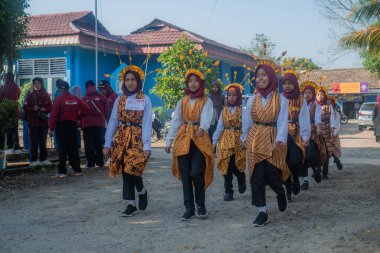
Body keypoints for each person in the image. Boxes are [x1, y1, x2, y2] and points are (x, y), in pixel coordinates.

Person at [241, 61, 290, 227]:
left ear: (270, 77)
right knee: (256, 176)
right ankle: (262, 212)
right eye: (258, 76)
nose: (260, 78)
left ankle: (280, 192)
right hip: (255, 139)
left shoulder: (281, 99)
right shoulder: (251, 100)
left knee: (272, 174)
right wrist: (243, 139)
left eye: (263, 75)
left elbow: (283, 121)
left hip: (273, 137)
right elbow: (247, 123)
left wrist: (279, 140)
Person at [165, 69, 214, 221]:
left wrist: (203, 127)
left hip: (200, 140)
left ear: (200, 83)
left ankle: (201, 205)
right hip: (184, 138)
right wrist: (169, 140)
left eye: (196, 81)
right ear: (187, 83)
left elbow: (207, 116)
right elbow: (176, 122)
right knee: (186, 175)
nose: (193, 84)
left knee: (196, 173)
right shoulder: (182, 101)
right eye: (190, 81)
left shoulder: (207, 100)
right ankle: (189, 208)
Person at [103, 65, 152, 217]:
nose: (130, 83)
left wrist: (147, 144)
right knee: (125, 170)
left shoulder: (145, 99)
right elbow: (113, 120)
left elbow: (147, 122)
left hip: (137, 138)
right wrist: (107, 142)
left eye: (133, 80)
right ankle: (131, 204)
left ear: (138, 81)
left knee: (134, 168)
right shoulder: (120, 99)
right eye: (127, 79)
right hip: (122, 138)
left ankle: (141, 191)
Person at [212, 83, 246, 201]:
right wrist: (214, 141)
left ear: (239, 96)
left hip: (238, 140)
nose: (231, 97)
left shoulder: (243, 110)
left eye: (234, 95)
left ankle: (241, 177)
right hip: (225, 140)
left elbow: (246, 126)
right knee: (226, 166)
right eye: (229, 95)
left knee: (235, 164)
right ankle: (228, 191)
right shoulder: (224, 111)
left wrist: (244, 139)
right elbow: (220, 126)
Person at [49, 80, 89, 178]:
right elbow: (87, 109)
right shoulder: (75, 98)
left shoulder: (58, 99)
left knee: (62, 149)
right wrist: (79, 117)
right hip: (72, 126)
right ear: (68, 89)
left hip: (61, 126)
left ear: (60, 89)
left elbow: (54, 115)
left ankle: (62, 171)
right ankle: (77, 170)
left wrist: (51, 128)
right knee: (73, 148)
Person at [281, 70, 310, 201]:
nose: (287, 86)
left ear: (294, 84)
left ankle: (296, 179)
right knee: (284, 162)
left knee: (295, 160)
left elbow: (304, 118)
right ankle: (288, 189)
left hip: (296, 133)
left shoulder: (301, 99)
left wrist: (305, 137)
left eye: (290, 83)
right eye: (284, 83)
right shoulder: (279, 98)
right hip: (282, 133)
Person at [299, 81, 325, 190]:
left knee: (311, 156)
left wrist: (319, 127)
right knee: (302, 158)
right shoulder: (300, 104)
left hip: (313, 133)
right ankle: (305, 181)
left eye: (309, 93)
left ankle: (316, 169)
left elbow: (318, 118)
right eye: (305, 93)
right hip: (300, 133)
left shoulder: (316, 105)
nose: (307, 95)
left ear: (313, 94)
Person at [24, 77, 53, 167]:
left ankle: (43, 159)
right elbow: (25, 108)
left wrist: (45, 109)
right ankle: (33, 160)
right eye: (35, 83)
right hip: (33, 123)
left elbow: (51, 107)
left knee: (43, 141)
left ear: (42, 84)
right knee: (33, 142)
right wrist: (33, 108)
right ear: (33, 85)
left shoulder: (46, 95)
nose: (37, 85)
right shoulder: (29, 95)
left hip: (43, 122)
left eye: (39, 83)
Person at [81, 80, 109, 169]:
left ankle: (90, 163)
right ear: (94, 86)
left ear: (86, 87)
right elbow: (106, 111)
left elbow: (80, 113)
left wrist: (81, 122)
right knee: (99, 143)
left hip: (87, 124)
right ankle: (100, 162)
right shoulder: (102, 98)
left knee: (89, 144)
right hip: (99, 125)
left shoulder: (83, 99)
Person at [315, 86, 336, 180]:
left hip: (327, 131)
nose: (320, 96)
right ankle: (317, 171)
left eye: (322, 94)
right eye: (318, 94)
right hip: (316, 132)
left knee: (326, 152)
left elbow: (333, 118)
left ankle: (325, 173)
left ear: (324, 95)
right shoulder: (313, 105)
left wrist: (332, 130)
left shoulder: (328, 106)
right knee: (317, 152)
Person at [0, 72, 21, 154]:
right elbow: (19, 94)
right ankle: (17, 148)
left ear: (7, 78)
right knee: (15, 129)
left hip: (7, 111)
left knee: (9, 130)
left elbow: (0, 97)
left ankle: (10, 148)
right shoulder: (16, 86)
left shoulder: (4, 86)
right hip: (15, 110)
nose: (3, 78)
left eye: (4, 77)